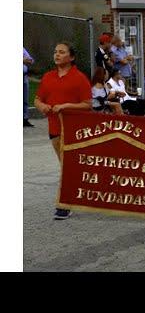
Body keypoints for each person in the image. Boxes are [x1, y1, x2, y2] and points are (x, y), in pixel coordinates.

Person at [34, 42, 92, 220]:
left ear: (71, 57)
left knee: (67, 167)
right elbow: (37, 99)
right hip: (54, 129)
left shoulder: (80, 78)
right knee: (66, 166)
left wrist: (67, 106)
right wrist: (41, 106)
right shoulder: (48, 77)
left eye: (61, 52)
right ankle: (76, 194)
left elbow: (88, 104)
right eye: (55, 52)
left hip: (75, 130)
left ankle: (64, 204)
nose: (57, 55)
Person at [23, 47, 34, 127]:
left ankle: (25, 119)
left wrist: (30, 60)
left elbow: (31, 59)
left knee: (25, 99)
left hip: (24, 76)